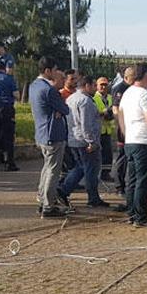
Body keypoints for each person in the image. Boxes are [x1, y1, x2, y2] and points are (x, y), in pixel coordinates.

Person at [117, 62, 147, 228]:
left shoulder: (127, 94)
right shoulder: (145, 95)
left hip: (131, 140)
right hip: (146, 142)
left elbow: (120, 118)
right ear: (145, 75)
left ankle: (132, 212)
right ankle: (141, 216)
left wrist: (127, 134)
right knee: (144, 180)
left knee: (133, 179)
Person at [59, 76, 110, 209]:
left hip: (73, 138)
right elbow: (85, 125)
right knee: (91, 169)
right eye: (93, 85)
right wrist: (92, 142)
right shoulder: (85, 101)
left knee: (80, 167)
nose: (95, 88)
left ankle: (63, 190)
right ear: (86, 85)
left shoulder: (71, 98)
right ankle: (92, 198)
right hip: (85, 141)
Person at [29, 57, 70, 219]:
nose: (56, 73)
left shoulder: (34, 86)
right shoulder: (49, 90)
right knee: (53, 170)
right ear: (47, 71)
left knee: (47, 168)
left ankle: (43, 199)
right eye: (54, 70)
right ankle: (48, 204)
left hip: (42, 132)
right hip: (53, 133)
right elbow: (64, 109)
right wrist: (59, 110)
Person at [110, 66, 135, 198]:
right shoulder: (119, 89)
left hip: (134, 128)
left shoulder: (135, 88)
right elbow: (115, 110)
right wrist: (123, 125)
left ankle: (130, 185)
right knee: (122, 158)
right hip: (123, 128)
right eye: (133, 77)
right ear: (126, 77)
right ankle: (119, 186)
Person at [94, 77, 114, 173]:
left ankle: (106, 173)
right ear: (97, 86)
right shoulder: (94, 98)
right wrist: (103, 113)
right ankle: (98, 172)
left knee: (108, 153)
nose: (103, 87)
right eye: (101, 85)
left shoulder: (110, 98)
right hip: (98, 130)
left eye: (105, 85)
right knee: (98, 154)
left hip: (108, 129)